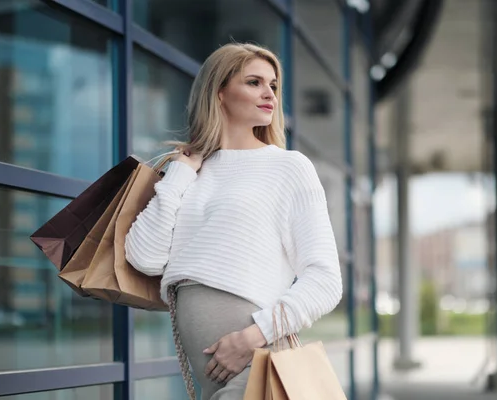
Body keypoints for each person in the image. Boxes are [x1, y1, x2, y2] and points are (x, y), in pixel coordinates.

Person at [125, 43, 343, 400]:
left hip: (258, 356)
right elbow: (144, 258)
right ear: (220, 92)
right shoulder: (186, 172)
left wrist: (252, 337)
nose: (269, 93)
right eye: (254, 82)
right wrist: (180, 174)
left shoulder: (289, 167)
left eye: (273, 85)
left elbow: (326, 280)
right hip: (216, 372)